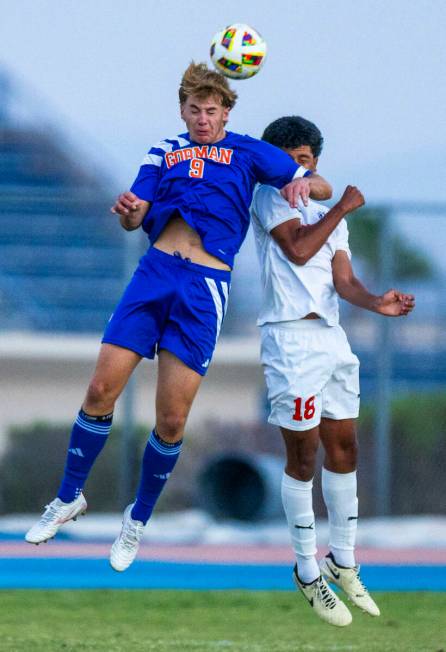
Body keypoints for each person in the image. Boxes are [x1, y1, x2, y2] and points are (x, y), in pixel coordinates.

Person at [25, 65, 332, 571]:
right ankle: (67, 498)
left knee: (171, 419)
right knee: (100, 391)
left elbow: (314, 181)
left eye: (212, 110)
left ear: (227, 112)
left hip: (203, 289)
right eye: (194, 109)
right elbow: (133, 215)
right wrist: (127, 210)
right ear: (182, 110)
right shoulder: (163, 151)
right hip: (155, 275)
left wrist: (306, 188)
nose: (203, 118)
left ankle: (136, 521)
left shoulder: (249, 151)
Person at [250, 115, 415, 627]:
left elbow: (344, 283)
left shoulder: (329, 213)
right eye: (291, 159)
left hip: (332, 339)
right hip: (290, 341)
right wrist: (342, 204)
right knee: (303, 456)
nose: (301, 168)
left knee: (345, 449)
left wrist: (375, 302)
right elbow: (297, 249)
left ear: (315, 160)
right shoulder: (269, 198)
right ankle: (305, 569)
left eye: (307, 159)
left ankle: (342, 560)